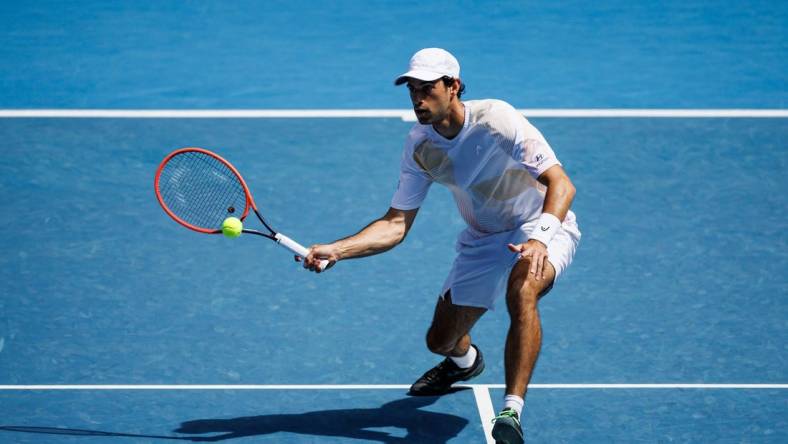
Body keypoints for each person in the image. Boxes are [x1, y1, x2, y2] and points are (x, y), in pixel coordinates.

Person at [300, 47, 581, 444]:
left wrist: (539, 239)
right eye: (412, 89)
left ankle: (511, 412)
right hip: (484, 239)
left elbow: (562, 184)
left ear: (454, 87)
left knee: (523, 289)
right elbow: (396, 224)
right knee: (440, 341)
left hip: (540, 224)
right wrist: (338, 249)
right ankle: (464, 363)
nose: (418, 98)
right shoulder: (420, 146)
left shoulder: (496, 119)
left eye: (427, 88)